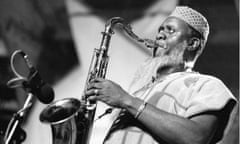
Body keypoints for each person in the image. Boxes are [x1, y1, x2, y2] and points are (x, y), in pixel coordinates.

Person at [85, 6, 237, 144]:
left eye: (170, 30)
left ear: (192, 43)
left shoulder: (207, 84)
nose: (159, 35)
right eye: (160, 30)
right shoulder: (140, 91)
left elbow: (196, 138)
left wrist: (126, 100)